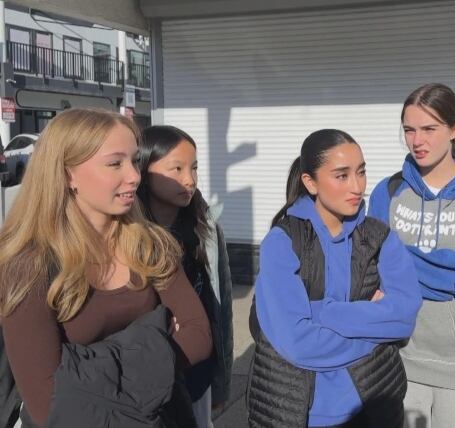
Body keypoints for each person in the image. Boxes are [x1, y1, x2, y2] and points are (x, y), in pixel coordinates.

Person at [0, 108, 212, 427]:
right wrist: (158, 338)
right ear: (67, 173)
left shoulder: (152, 244)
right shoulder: (26, 266)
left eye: (135, 161)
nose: (134, 176)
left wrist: (81, 368)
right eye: (115, 163)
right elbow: (47, 402)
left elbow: (199, 336)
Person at [247, 129, 422, 428]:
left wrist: (323, 312)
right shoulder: (282, 241)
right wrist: (377, 330)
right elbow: (297, 342)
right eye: (341, 175)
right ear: (310, 182)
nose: (357, 186)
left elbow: (404, 319)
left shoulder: (380, 238)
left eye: (361, 172)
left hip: (373, 404)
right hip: (295, 410)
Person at [368, 83, 455, 428]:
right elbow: (376, 266)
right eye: (409, 130)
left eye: (429, 129)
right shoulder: (387, 191)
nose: (417, 141)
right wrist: (440, 269)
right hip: (398, 358)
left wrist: (401, 263)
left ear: (454, 129)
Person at [138, 125, 234, 428]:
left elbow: (221, 310)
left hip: (198, 377)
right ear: (143, 169)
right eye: (175, 169)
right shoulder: (128, 237)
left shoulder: (204, 229)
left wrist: (220, 383)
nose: (189, 180)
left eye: (193, 168)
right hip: (149, 386)